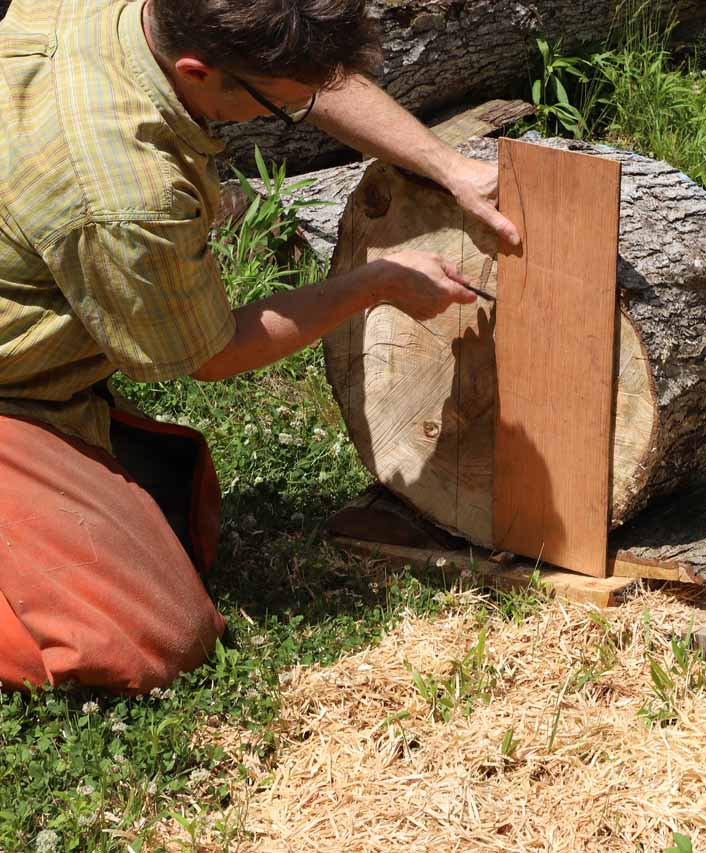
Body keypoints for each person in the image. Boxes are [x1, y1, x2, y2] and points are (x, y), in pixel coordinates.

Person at [0, 0, 517, 693]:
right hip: (16, 387)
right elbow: (212, 354)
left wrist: (447, 165)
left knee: (181, 506)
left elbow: (302, 73)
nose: (296, 110)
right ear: (196, 70)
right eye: (281, 109)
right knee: (151, 638)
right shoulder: (126, 191)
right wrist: (371, 285)